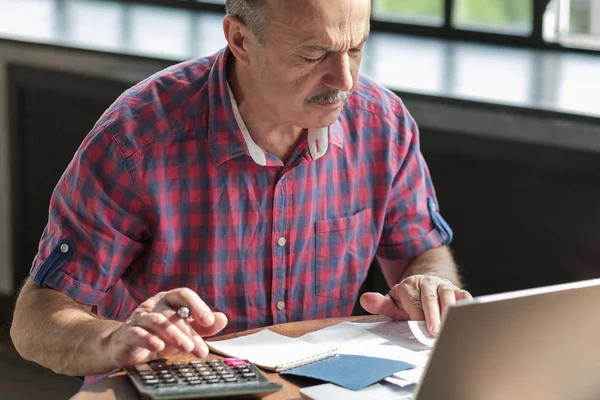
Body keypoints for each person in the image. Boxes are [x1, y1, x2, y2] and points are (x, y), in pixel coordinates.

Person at [10, 0, 472, 382]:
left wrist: (431, 285)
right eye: (313, 55)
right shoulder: (137, 139)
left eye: (355, 49)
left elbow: (420, 252)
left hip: (317, 387)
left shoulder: (382, 123)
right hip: (177, 388)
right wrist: (111, 340)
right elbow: (36, 319)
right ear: (241, 40)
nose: (344, 81)